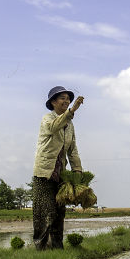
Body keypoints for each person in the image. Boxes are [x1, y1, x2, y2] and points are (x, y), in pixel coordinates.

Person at [32, 85, 84, 249]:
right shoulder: (47, 119)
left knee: (59, 212)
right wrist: (72, 111)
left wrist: (77, 170)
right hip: (44, 173)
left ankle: (57, 247)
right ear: (53, 102)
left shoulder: (70, 125)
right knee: (45, 212)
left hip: (60, 174)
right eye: (62, 98)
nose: (66, 100)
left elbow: (72, 149)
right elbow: (55, 127)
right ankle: (40, 248)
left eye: (68, 98)